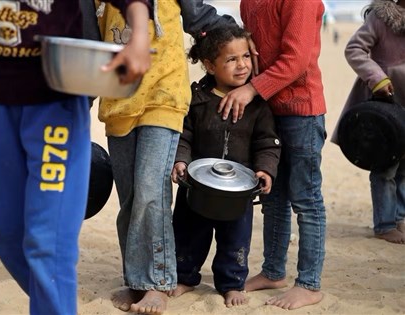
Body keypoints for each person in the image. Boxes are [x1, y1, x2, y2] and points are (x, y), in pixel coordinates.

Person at [0, 1, 151, 315]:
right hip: (0, 105)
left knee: (47, 244)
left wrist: (139, 36)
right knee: (7, 235)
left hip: (55, 105)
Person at [93, 1, 238, 314]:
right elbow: (90, 39)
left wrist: (238, 36)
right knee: (131, 198)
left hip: (164, 95)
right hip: (118, 100)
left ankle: (158, 281)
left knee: (151, 192)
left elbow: (199, 16)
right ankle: (137, 280)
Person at [217, 0, 327, 310]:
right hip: (267, 111)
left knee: (306, 199)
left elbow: (295, 60)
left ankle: (308, 283)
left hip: (301, 110)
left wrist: (251, 90)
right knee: (272, 197)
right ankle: (273, 271)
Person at [168, 25, 281, 308]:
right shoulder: (198, 99)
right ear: (209, 65)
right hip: (197, 187)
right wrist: (181, 160)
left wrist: (265, 170)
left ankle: (231, 284)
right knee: (187, 234)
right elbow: (184, 135)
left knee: (236, 240)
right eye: (231, 59)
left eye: (245, 56)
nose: (242, 65)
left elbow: (267, 142)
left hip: (237, 193)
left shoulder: (258, 106)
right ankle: (185, 276)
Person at [331, 0, 405, 244]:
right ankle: (384, 223)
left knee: (404, 165)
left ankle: (400, 217)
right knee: (385, 164)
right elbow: (354, 49)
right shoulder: (381, 17)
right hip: (383, 101)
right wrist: (377, 77)